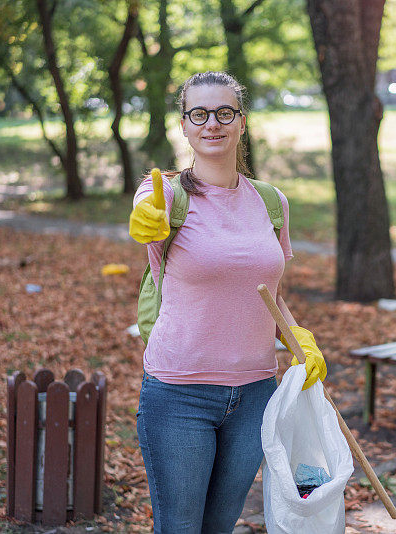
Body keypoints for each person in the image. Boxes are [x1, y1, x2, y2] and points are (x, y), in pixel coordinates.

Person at [128, 71, 327, 533]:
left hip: (257, 392)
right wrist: (146, 221)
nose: (211, 124)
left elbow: (270, 293)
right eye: (199, 113)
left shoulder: (272, 202)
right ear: (184, 124)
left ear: (241, 121)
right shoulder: (164, 196)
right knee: (180, 528)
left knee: (220, 526)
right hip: (179, 393)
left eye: (224, 112)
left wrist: (300, 339)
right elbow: (145, 219)